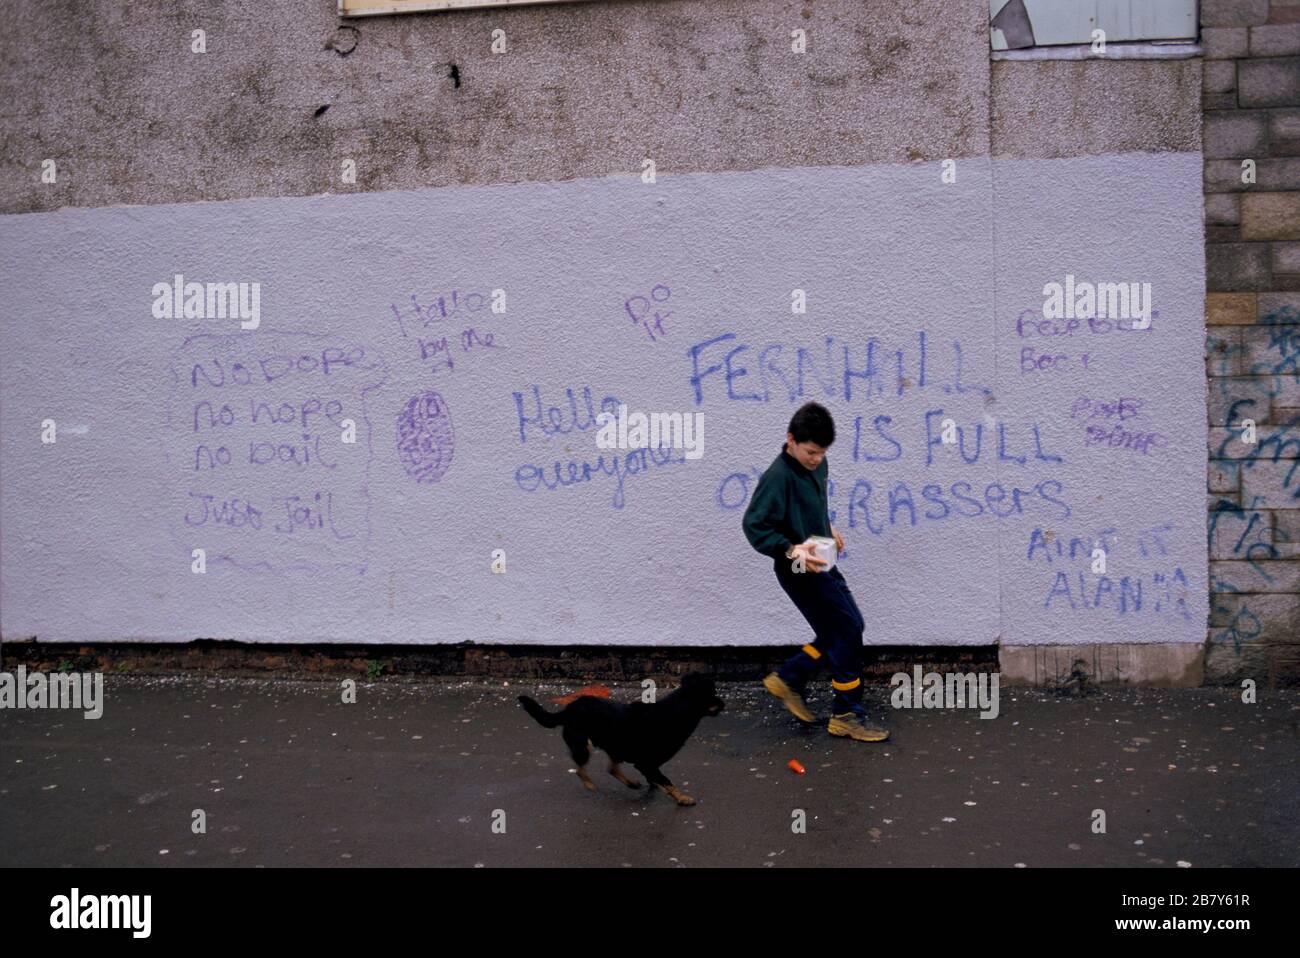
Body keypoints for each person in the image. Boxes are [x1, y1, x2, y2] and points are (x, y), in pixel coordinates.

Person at [741, 402, 889, 742]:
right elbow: (754, 526)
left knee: (847, 627)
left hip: (822, 559)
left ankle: (791, 677)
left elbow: (812, 506)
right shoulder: (777, 478)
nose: (816, 460)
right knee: (847, 629)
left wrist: (828, 526)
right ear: (790, 440)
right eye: (810, 452)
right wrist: (791, 549)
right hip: (796, 567)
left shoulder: (817, 466)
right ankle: (846, 714)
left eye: (822, 453)